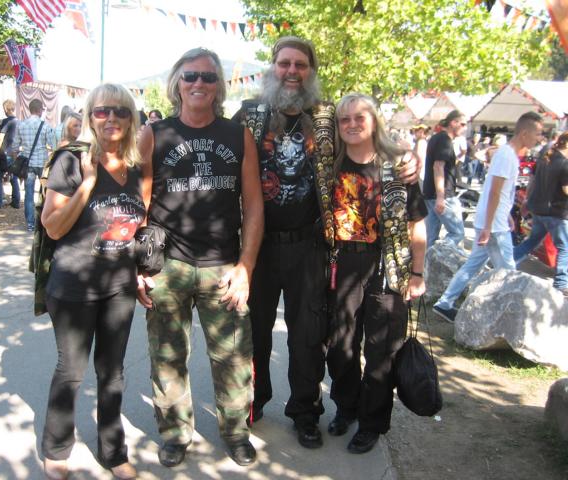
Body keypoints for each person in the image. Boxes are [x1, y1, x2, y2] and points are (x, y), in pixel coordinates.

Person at [231, 36, 420, 449]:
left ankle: (304, 412)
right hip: (258, 246)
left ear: (311, 71)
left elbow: (366, 140)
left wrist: (406, 157)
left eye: (300, 65)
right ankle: (253, 402)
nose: (292, 72)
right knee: (253, 333)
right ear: (273, 67)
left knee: (307, 336)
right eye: (285, 63)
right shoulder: (249, 115)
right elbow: (219, 157)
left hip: (310, 247)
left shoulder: (327, 117)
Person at [137, 47, 264, 468]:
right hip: (168, 265)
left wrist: (245, 267)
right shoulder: (154, 133)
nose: (198, 83)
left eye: (208, 77)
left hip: (222, 265)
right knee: (167, 357)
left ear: (218, 86)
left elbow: (254, 205)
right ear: (177, 82)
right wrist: (141, 267)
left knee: (233, 357)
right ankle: (175, 433)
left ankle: (236, 432)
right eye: (190, 75)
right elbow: (140, 205)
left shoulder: (238, 135)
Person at [40, 83, 143, 480]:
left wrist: (142, 271)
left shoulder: (135, 166)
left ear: (131, 119)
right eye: (102, 111)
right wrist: (86, 183)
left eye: (120, 111)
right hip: (74, 286)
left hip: (119, 286)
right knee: (71, 371)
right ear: (90, 117)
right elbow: (53, 226)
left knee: (112, 372)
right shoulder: (71, 161)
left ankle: (114, 453)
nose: (111, 118)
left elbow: (138, 222)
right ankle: (56, 448)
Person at [326, 93, 427, 454]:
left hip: (388, 266)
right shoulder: (330, 165)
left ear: (374, 121)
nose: (352, 124)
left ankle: (371, 423)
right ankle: (346, 407)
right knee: (341, 345)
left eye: (360, 117)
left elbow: (416, 224)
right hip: (342, 265)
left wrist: (417, 273)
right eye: (344, 119)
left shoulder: (398, 167)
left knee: (381, 350)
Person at [433, 112, 544, 322]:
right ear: (524, 133)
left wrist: (505, 214)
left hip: (493, 221)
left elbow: (499, 192)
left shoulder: (507, 155)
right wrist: (489, 225)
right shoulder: (506, 156)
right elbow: (494, 191)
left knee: (474, 264)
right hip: (494, 225)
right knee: (509, 272)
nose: (539, 139)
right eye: (537, 134)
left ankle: (445, 302)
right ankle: (507, 318)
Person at [513, 131, 568, 297]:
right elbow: (566, 189)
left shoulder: (545, 158)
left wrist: (527, 201)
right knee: (564, 247)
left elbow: (532, 181)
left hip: (539, 210)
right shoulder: (564, 163)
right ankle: (561, 283)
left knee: (532, 241)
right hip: (557, 212)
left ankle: (505, 262)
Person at [423, 109, 467, 248]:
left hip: (431, 193)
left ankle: (429, 259)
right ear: (453, 122)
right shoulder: (444, 140)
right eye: (463, 124)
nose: (465, 128)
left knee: (430, 238)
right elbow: (438, 167)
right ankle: (438, 254)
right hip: (442, 195)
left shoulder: (437, 138)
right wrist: (441, 197)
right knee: (457, 233)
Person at [12, 99, 57, 231]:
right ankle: (44, 221)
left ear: (30, 109)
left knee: (29, 193)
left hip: (28, 163)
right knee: (45, 193)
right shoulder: (45, 126)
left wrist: (18, 158)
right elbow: (53, 145)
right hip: (42, 162)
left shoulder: (21, 125)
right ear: (39, 110)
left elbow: (15, 146)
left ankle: (30, 223)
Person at [0, 100, 20, 209]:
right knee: (14, 178)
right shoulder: (19, 122)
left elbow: (0, 138)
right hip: (15, 153)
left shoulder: (7, 121)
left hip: (5, 153)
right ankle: (16, 202)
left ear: (5, 109)